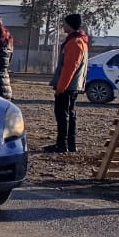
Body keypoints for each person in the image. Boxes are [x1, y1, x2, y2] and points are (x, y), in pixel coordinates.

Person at [45, 13, 89, 153]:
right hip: (73, 85)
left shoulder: (75, 42)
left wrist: (61, 87)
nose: (63, 26)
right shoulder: (80, 41)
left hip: (68, 87)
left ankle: (62, 144)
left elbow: (70, 67)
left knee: (63, 115)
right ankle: (70, 144)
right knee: (69, 114)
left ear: (70, 25)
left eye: (64, 23)